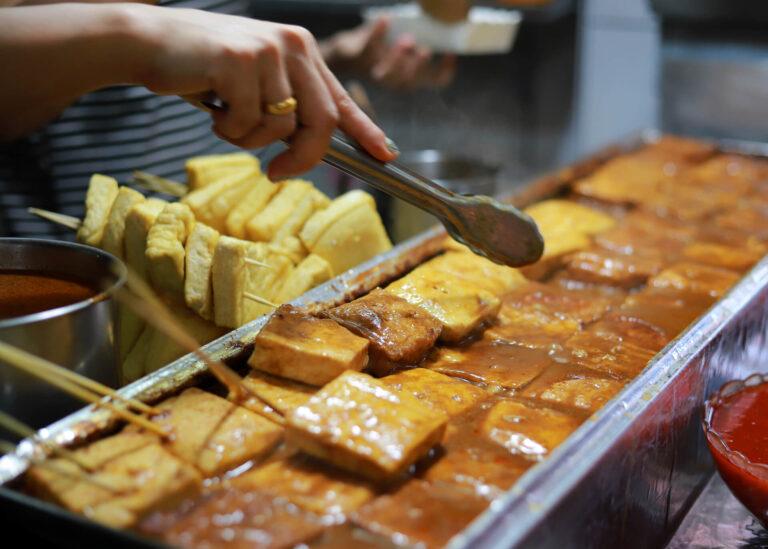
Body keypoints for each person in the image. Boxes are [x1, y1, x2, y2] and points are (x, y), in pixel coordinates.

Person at [0, 1, 455, 236]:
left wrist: (322, 63)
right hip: (89, 267)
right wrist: (136, 36)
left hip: (245, 224)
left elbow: (215, 39)